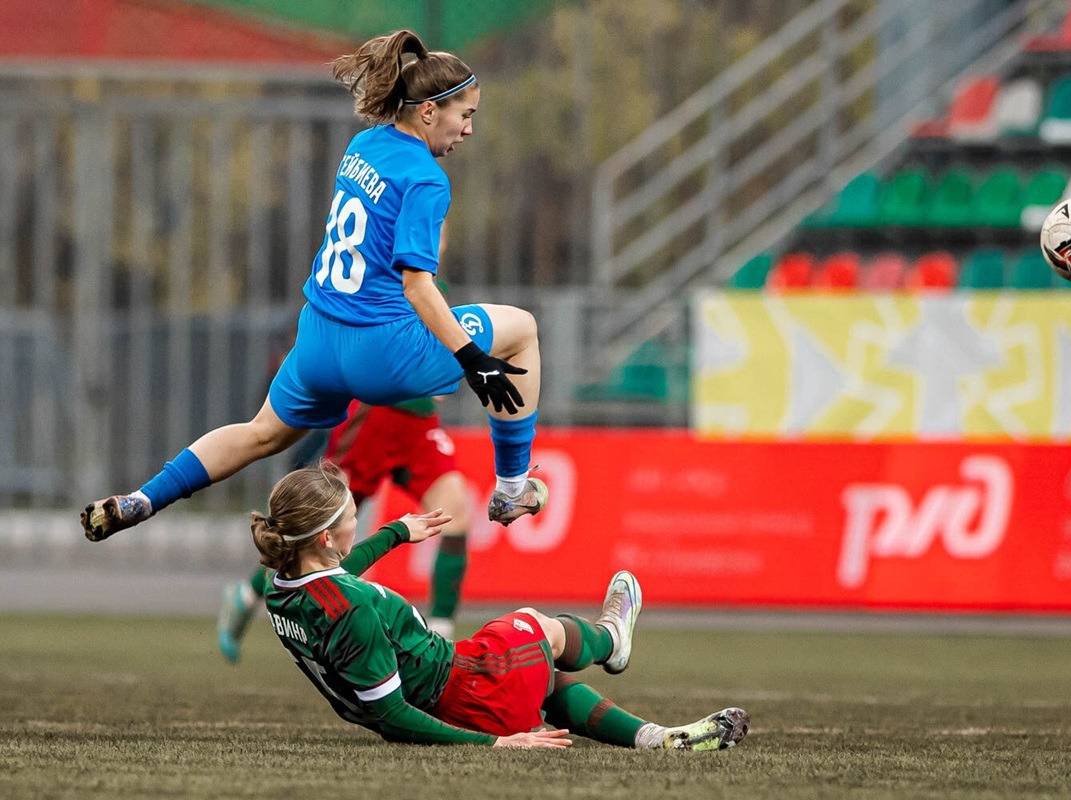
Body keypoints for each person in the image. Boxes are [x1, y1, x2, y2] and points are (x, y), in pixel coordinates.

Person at [81, 28, 546, 542]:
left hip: (319, 340)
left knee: (261, 433)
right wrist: (471, 359)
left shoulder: (364, 143)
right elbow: (417, 286)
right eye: (466, 114)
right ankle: (511, 487)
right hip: (382, 352)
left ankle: (144, 498)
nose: (469, 130)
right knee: (521, 328)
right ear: (430, 112)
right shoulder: (427, 178)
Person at [250, 462, 750, 750]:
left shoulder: (282, 585)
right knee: (535, 625)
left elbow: (338, 575)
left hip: (453, 690)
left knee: (549, 684)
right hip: (466, 690)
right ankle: (611, 640)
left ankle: (658, 739)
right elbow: (389, 713)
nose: (359, 522)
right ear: (324, 536)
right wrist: (493, 744)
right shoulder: (353, 608)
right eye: (353, 517)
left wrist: (397, 532)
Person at [217, 397, 470, 661]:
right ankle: (247, 595)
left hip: (419, 419)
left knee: (456, 515)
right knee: (319, 519)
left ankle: (440, 641)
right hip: (376, 409)